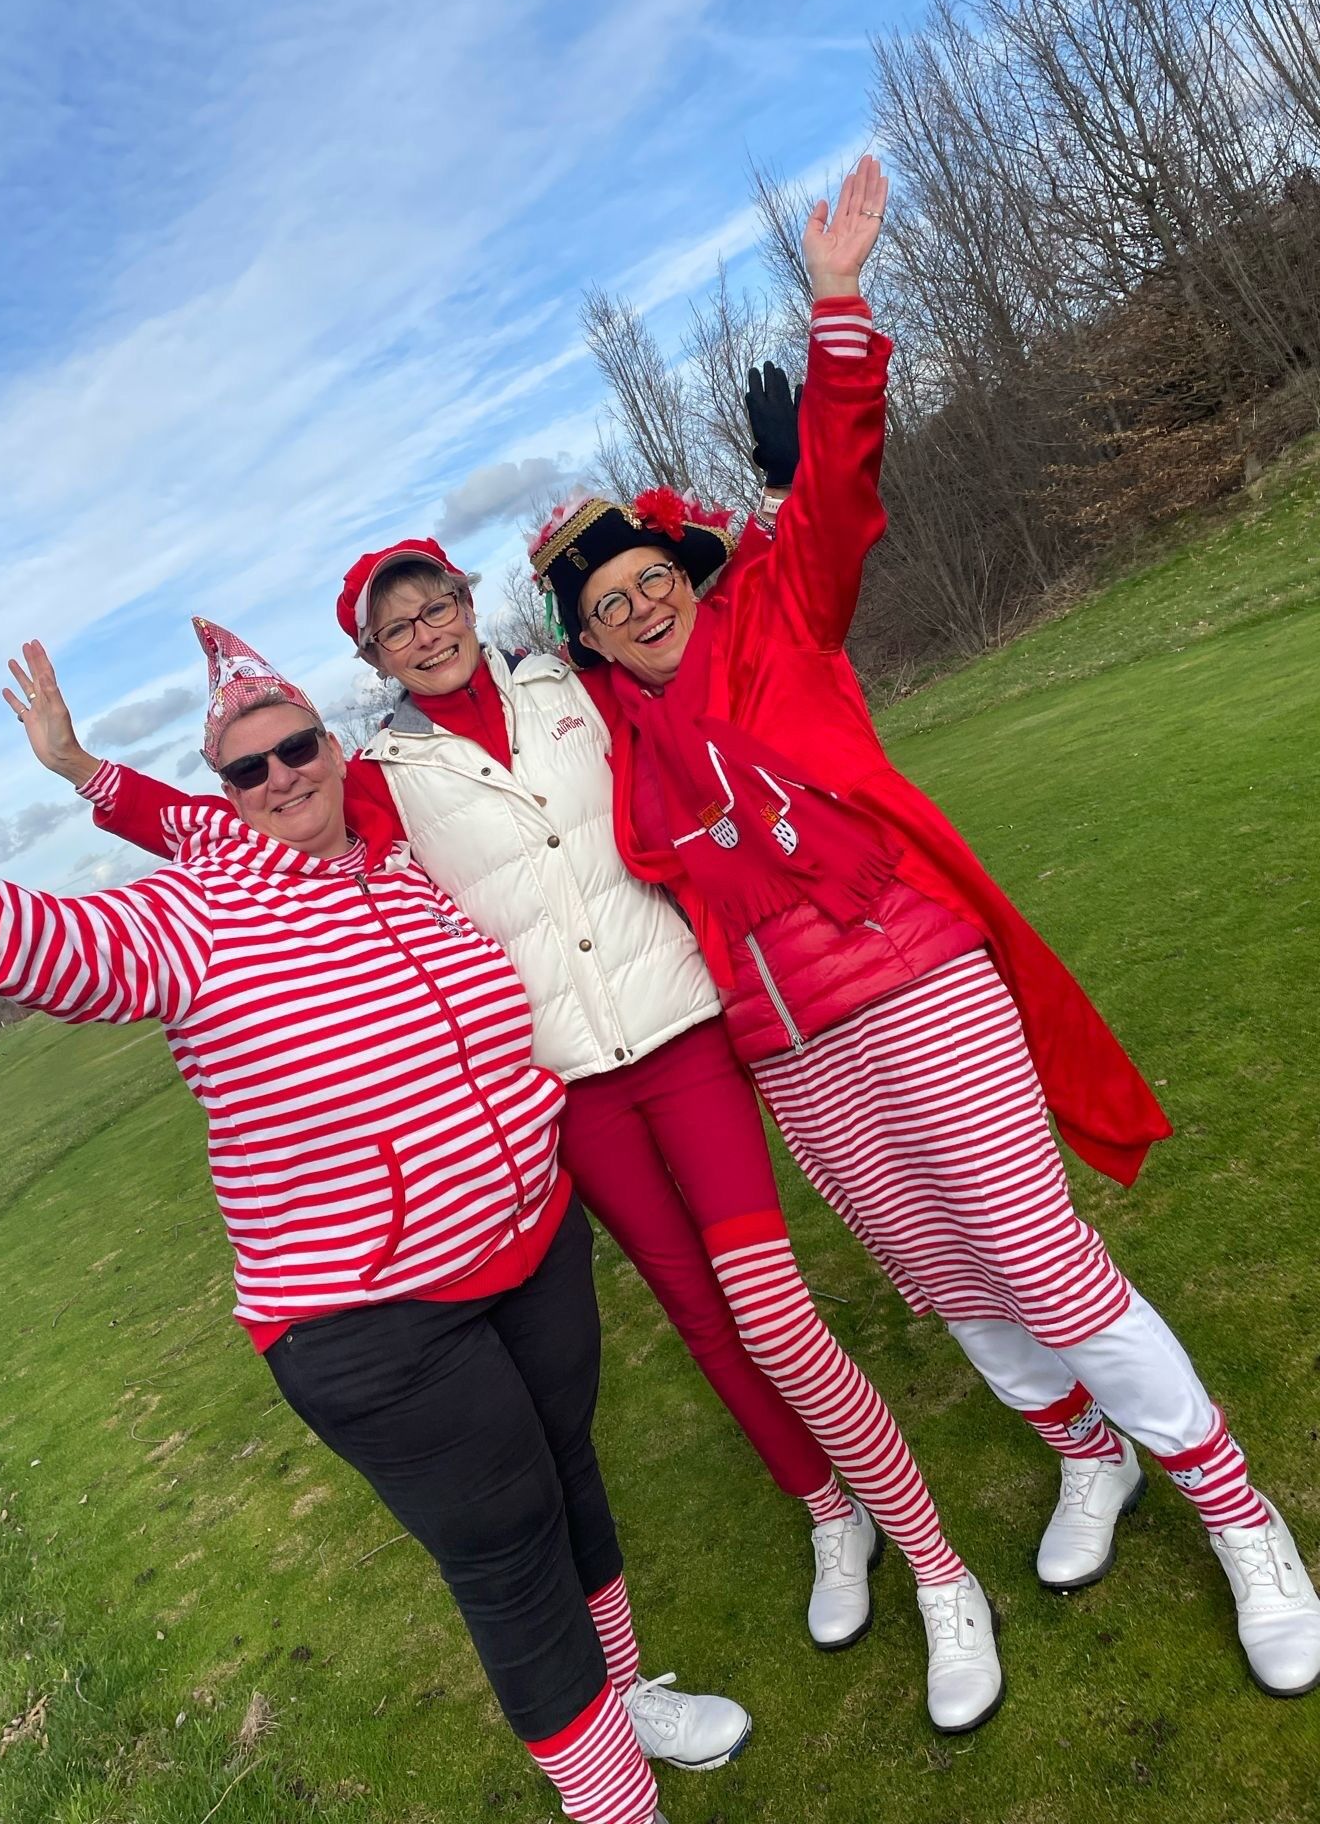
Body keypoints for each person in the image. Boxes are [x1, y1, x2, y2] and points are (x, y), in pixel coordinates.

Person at [8, 160, 1006, 1737]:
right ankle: (826, 1509)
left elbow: (716, 632)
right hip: (564, 1088)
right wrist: (87, 779)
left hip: (683, 1032)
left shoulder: (579, 687)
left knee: (770, 1303)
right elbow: (239, 812)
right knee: (696, 1317)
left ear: (470, 603)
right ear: (372, 657)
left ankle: (935, 1559)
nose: (426, 633)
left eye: (437, 606)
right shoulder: (381, 777)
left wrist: (781, 481)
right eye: (395, 627)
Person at [524, 171, 1320, 1703]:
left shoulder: (779, 618)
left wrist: (837, 307)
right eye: (607, 607)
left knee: (1042, 1262)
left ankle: (1240, 1513)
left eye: (649, 581)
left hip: (909, 981)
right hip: (789, 1051)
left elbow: (835, 487)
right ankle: (1086, 1452)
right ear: (589, 641)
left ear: (686, 576)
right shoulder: (613, 748)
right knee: (948, 1280)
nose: (638, 610)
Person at [0, 621, 755, 1824]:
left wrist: (90, 767)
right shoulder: (197, 912)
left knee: (570, 1475)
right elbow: (48, 946)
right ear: (225, 791)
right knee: (509, 1552)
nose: (282, 775)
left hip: (533, 1243)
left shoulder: (405, 865)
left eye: (297, 747)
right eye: (248, 767)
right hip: (376, 1321)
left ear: (332, 747)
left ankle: (625, 1691)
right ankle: (615, 1802)